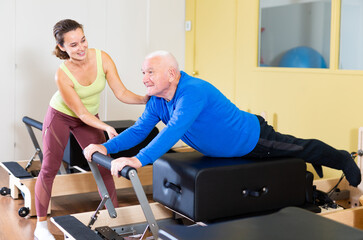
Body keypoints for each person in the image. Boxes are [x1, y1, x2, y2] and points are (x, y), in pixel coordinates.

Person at [84, 50, 361, 190]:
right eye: (143, 72)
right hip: (230, 151)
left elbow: (172, 133)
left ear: (171, 73)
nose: (144, 78)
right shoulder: (158, 99)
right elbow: (139, 130)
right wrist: (106, 149)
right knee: (291, 157)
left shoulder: (192, 92)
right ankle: (309, 165)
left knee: (299, 148)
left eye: (150, 72)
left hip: (252, 139)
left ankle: (341, 158)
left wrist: (137, 160)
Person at [34, 19, 148, 240]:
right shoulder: (62, 74)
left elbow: (121, 92)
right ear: (62, 48)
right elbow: (82, 114)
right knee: (49, 168)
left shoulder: (101, 58)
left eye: (83, 40)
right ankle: (41, 226)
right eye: (74, 44)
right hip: (61, 116)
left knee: (105, 167)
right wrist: (106, 126)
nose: (81, 48)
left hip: (89, 118)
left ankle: (114, 224)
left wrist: (145, 99)